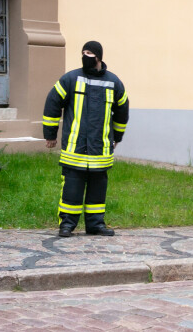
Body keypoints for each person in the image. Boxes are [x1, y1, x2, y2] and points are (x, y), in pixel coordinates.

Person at [43, 41, 129, 237]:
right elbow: (52, 103)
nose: (85, 55)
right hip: (76, 148)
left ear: (98, 56)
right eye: (83, 52)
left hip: (100, 149)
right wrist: (50, 134)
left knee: (98, 189)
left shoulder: (114, 82)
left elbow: (122, 110)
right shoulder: (71, 78)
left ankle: (95, 224)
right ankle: (67, 224)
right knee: (72, 189)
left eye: (89, 52)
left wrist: (118, 136)